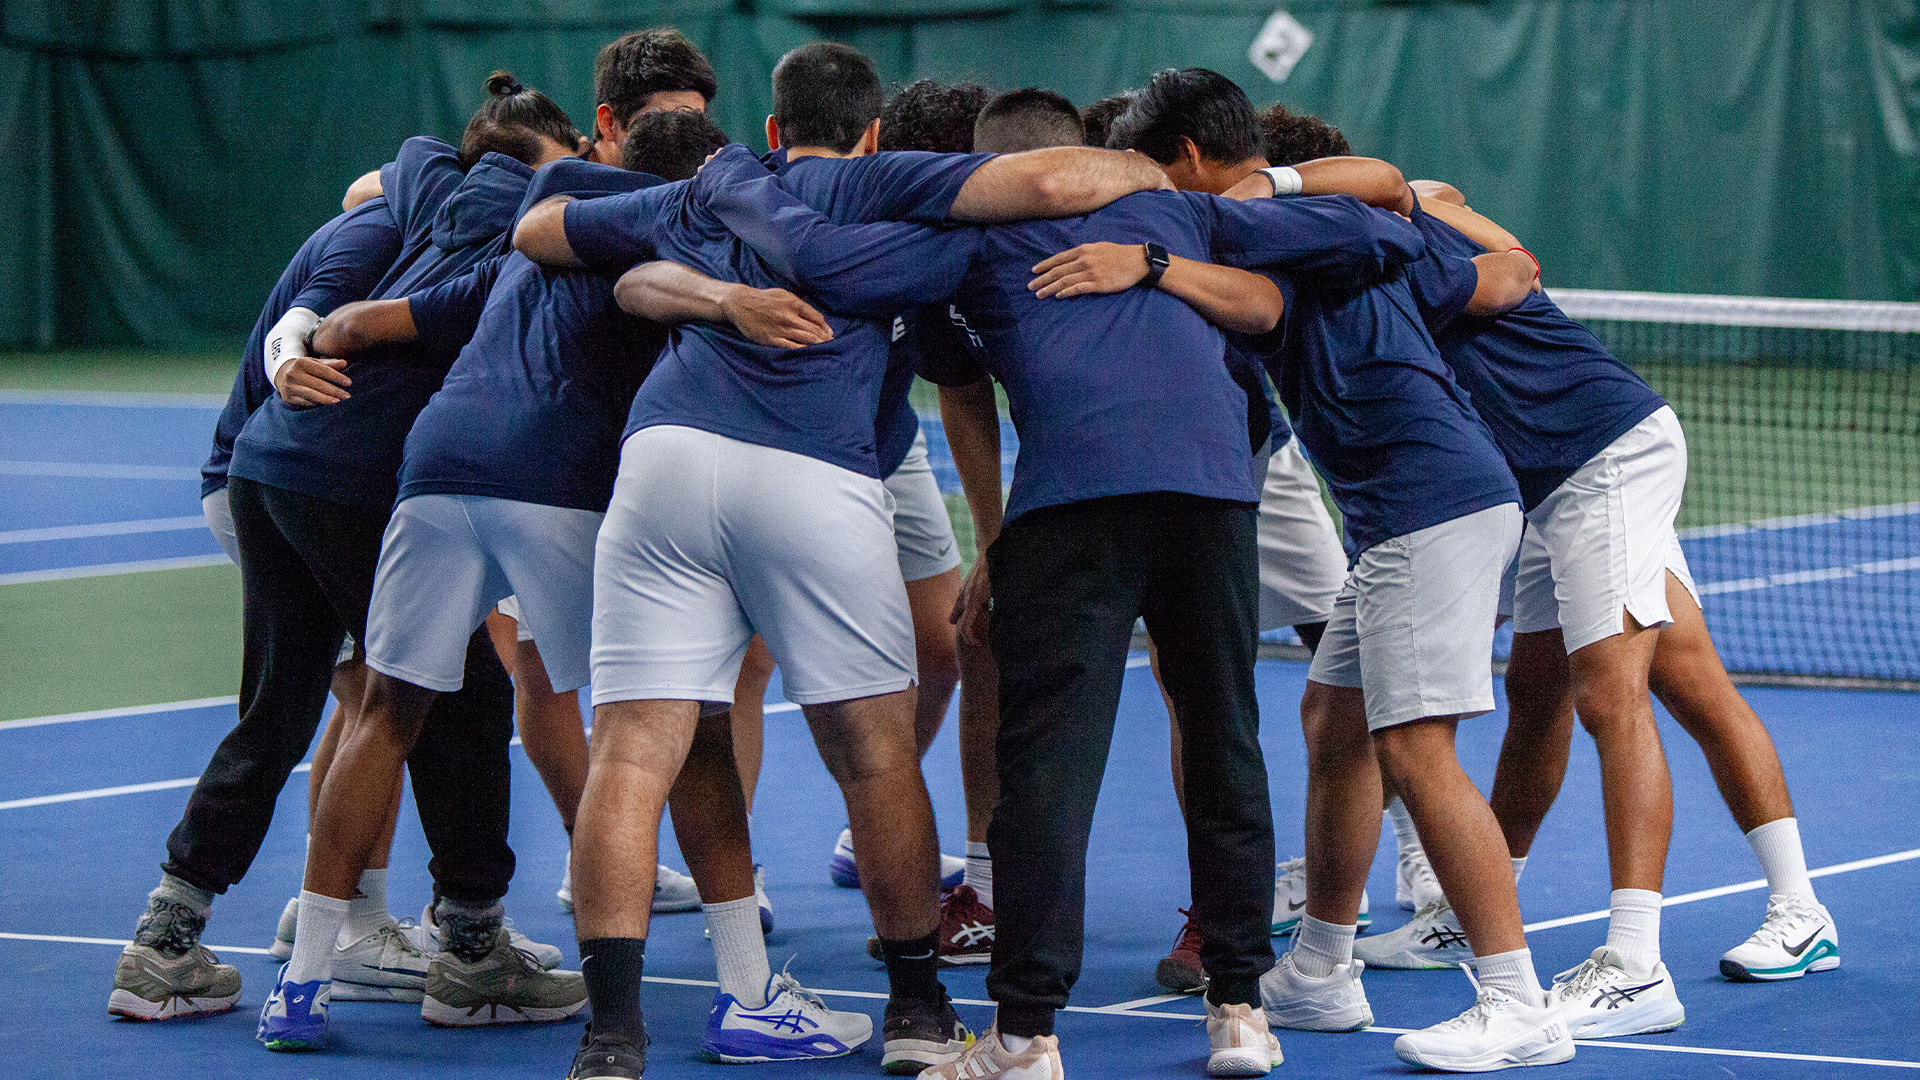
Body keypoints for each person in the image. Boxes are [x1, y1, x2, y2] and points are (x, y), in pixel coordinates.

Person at [712, 84, 1432, 1079]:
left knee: (1047, 772)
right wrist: (1201, 241)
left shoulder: (968, 247)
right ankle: (1239, 1012)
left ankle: (1025, 1038)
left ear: (987, 171)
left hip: (1075, 507)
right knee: (1227, 744)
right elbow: (1377, 229)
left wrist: (733, 186)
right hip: (1214, 499)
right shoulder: (1185, 214)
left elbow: (831, 263)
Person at [511, 42, 1176, 1080]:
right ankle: (916, 1013)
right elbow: (1050, 178)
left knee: (634, 749)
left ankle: (611, 1038)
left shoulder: (710, 190)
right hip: (813, 474)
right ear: (871, 130)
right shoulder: (885, 179)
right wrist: (1161, 175)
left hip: (663, 460)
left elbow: (540, 229)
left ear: (771, 128)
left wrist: (711, 293)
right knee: (873, 753)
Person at [1112, 68, 1570, 1073]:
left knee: (1417, 751)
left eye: (1145, 163)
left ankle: (1515, 998)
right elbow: (1406, 224)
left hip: (1429, 505)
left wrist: (1174, 245)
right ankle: (1321, 967)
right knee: (1336, 720)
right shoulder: (1313, 228)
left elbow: (1390, 219)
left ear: (1186, 156)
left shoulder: (1251, 224)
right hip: (1408, 511)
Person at [1400, 180, 1839, 1000]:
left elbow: (1469, 221)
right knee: (1552, 693)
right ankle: (1472, 908)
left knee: (1613, 699)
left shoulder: (1394, 223)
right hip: (1548, 482)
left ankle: (1643, 960)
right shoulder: (1371, 243)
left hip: (1603, 457)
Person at [246, 73, 586, 1052]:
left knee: (392, 703)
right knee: (635, 708)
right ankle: (496, 960)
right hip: (515, 470)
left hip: (416, 473)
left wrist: (320, 330)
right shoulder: (562, 220)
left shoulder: (428, 175)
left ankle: (305, 983)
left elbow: (379, 186)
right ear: (559, 153)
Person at [107, 186, 403, 1023]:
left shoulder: (402, 216)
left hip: (270, 478)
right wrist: (285, 362)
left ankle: (177, 935)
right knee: (390, 691)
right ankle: (355, 924)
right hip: (278, 481)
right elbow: (299, 328)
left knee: (320, 702)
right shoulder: (383, 225)